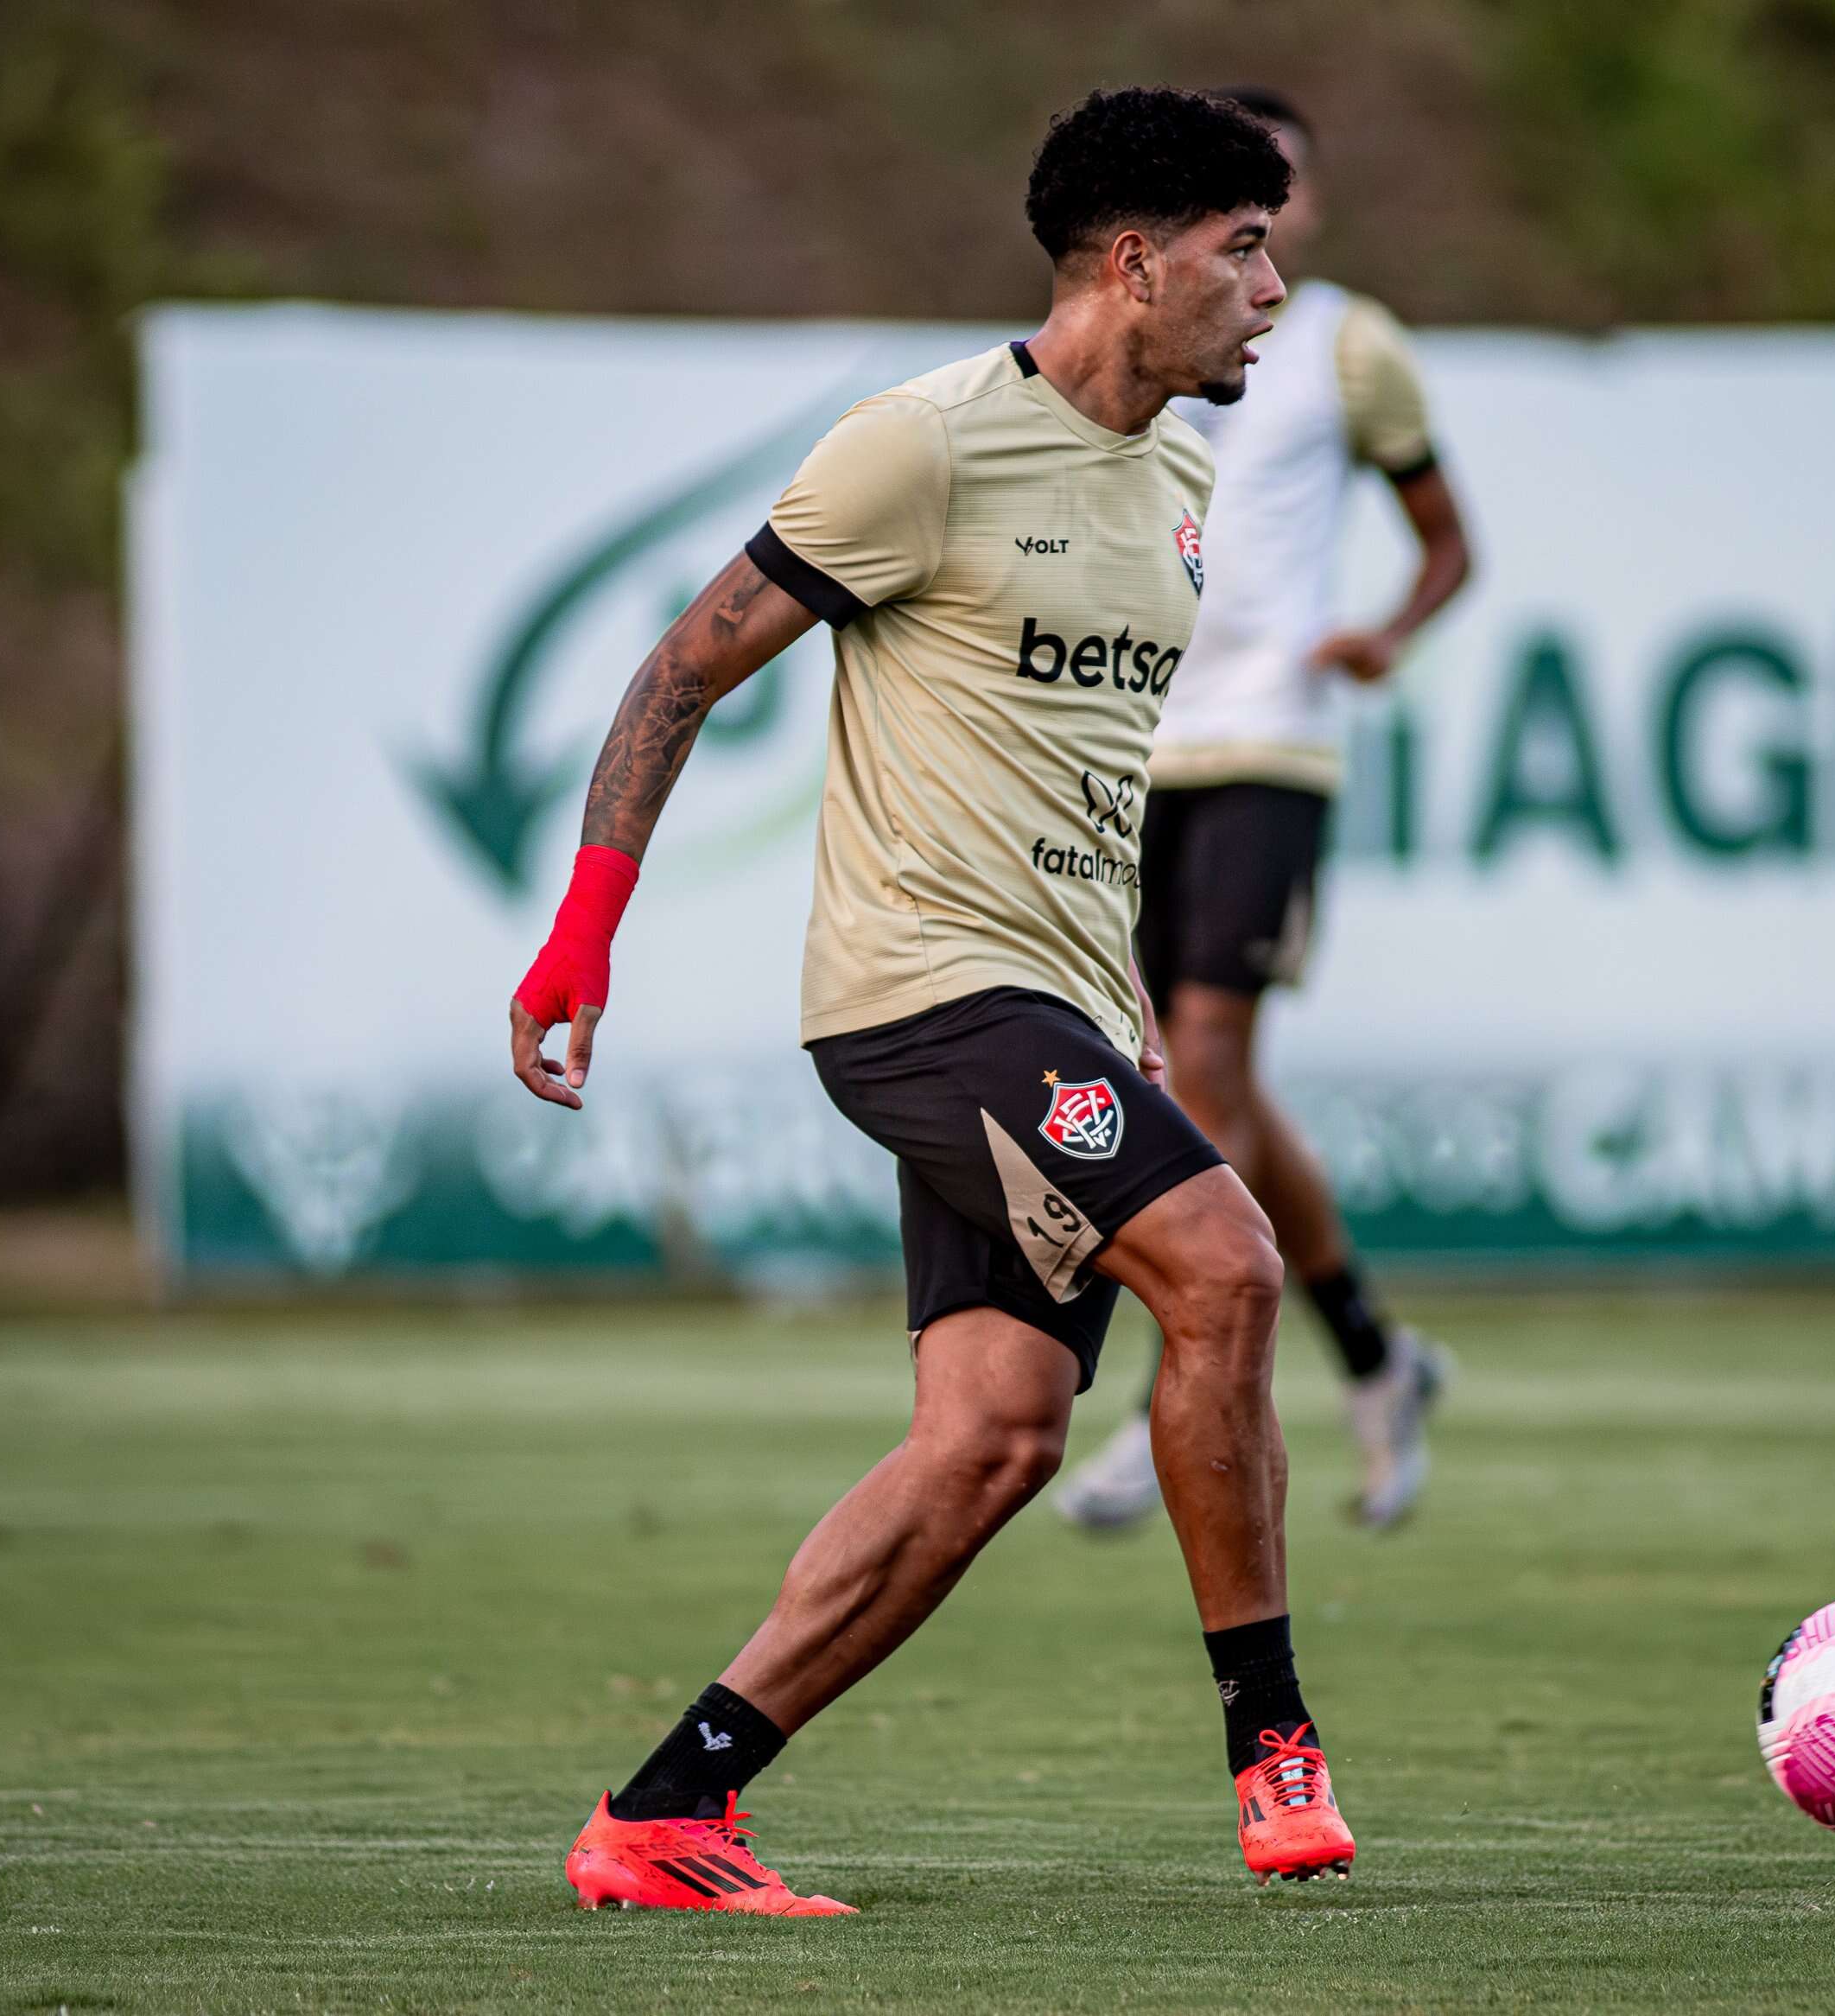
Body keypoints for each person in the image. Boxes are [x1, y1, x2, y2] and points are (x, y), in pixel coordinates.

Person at [508, 87, 1349, 1915]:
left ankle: (667, 1814)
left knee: (989, 1445)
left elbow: (1074, 786)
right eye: (1241, 249)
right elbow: (680, 669)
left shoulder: (1185, 482)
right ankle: (1271, 1744)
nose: (1275, 287)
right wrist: (584, 934)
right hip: (917, 999)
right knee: (1228, 1265)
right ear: (1132, 264)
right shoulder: (922, 450)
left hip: (1046, 1010)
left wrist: (1116, 996)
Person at [1057, 86, 1475, 1537]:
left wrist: (1386, 632)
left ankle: (1163, 1397)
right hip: (1133, 751)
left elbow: (1448, 546)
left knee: (1204, 1063)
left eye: (1279, 189)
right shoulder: (1137, 340)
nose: (1264, 223)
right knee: (1188, 1072)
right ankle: (1372, 1350)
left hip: (1269, 748)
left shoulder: (1347, 345)